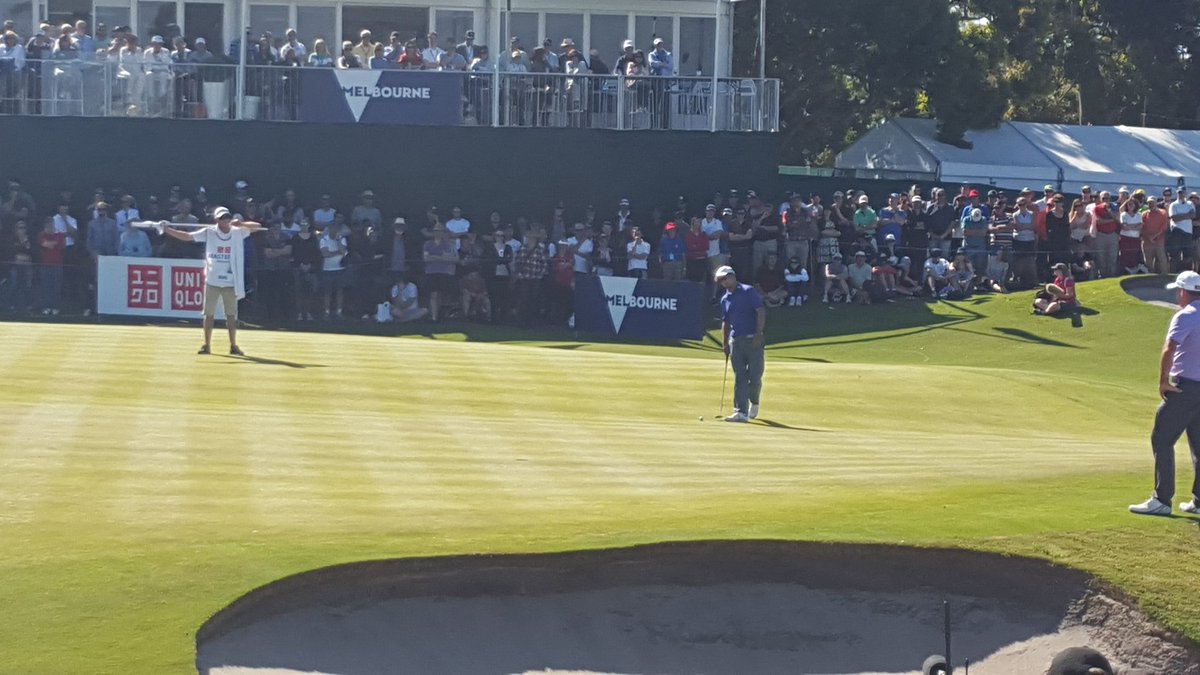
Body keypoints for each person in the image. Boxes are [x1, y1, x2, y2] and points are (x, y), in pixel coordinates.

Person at [1129, 270, 1200, 516]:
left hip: (1185, 387)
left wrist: (1162, 382)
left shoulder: (1185, 315)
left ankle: (1161, 500)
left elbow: (1169, 349)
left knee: (1161, 438)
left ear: (1183, 292)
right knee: (1199, 444)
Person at [161, 207, 264, 355]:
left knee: (231, 315)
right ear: (216, 220)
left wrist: (240, 223)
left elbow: (258, 227)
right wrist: (167, 229)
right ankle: (206, 344)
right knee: (208, 314)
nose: (226, 220)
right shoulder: (209, 232)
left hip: (230, 280)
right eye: (222, 218)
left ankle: (233, 345)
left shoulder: (237, 232)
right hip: (213, 280)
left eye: (227, 217)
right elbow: (187, 237)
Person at [716, 265, 765, 423]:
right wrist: (725, 343)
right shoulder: (725, 299)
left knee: (755, 376)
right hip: (735, 340)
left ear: (733, 276)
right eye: (721, 280)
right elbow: (726, 322)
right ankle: (740, 411)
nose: (724, 282)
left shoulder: (748, 291)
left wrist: (759, 333)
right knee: (740, 377)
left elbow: (760, 311)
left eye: (726, 278)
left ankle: (754, 402)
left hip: (753, 339)